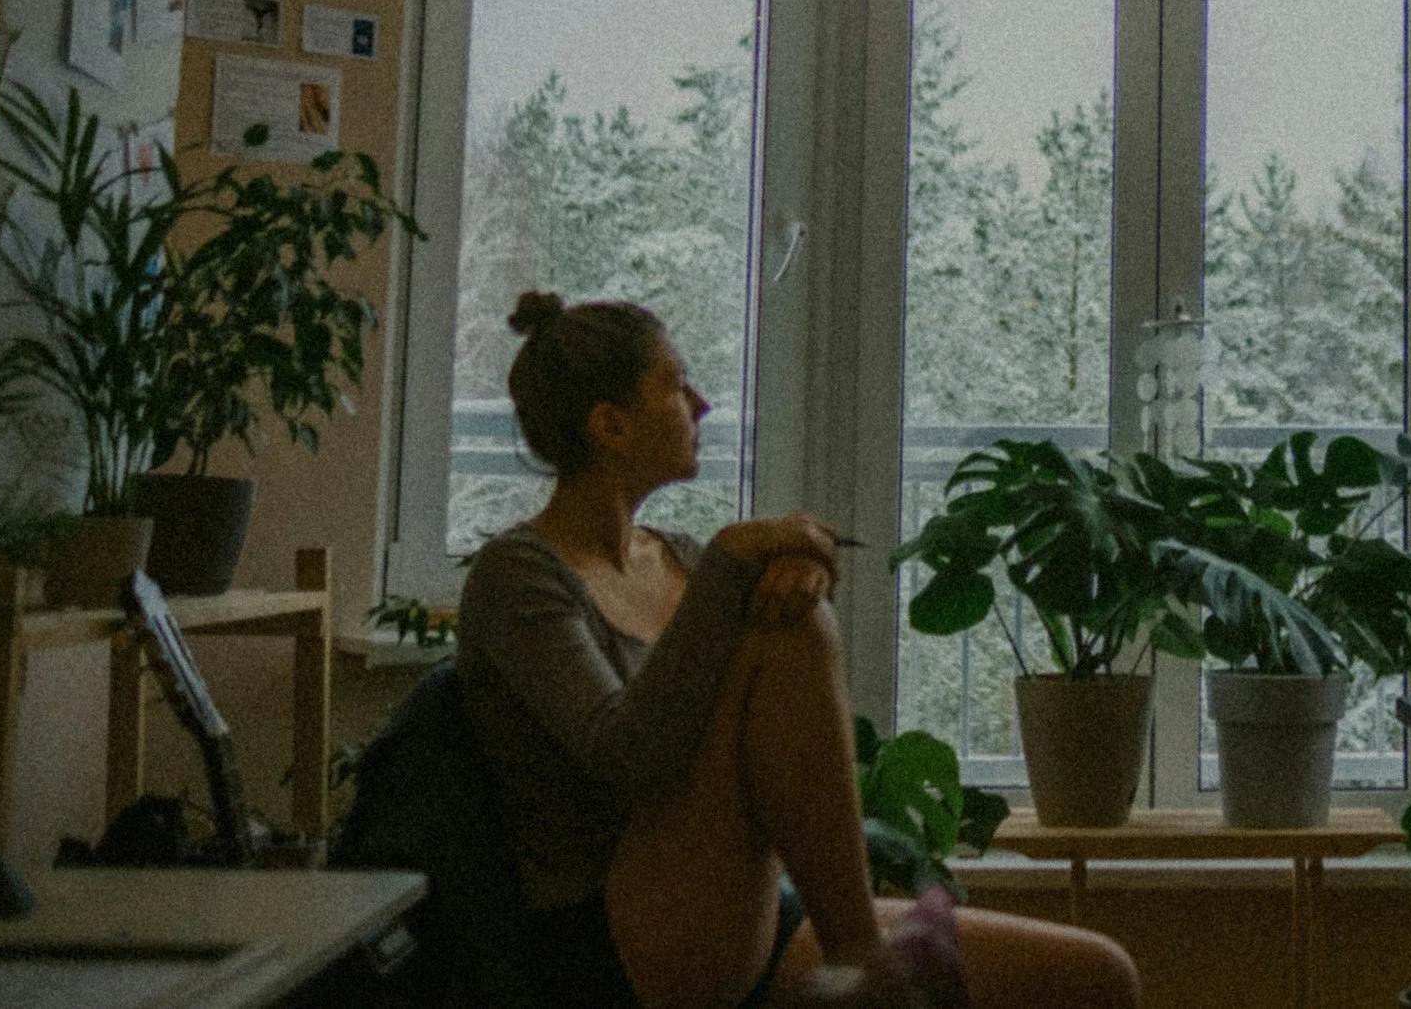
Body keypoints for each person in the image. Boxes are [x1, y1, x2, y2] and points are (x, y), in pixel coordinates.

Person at [458, 292, 1140, 1009]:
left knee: (1095, 976)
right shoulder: (519, 574)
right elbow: (625, 757)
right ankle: (863, 967)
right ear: (611, 426)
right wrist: (736, 560)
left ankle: (858, 963)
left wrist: (795, 575)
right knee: (790, 631)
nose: (702, 404)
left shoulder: (681, 559)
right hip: (609, 932)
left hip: (744, 910)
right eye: (675, 385)